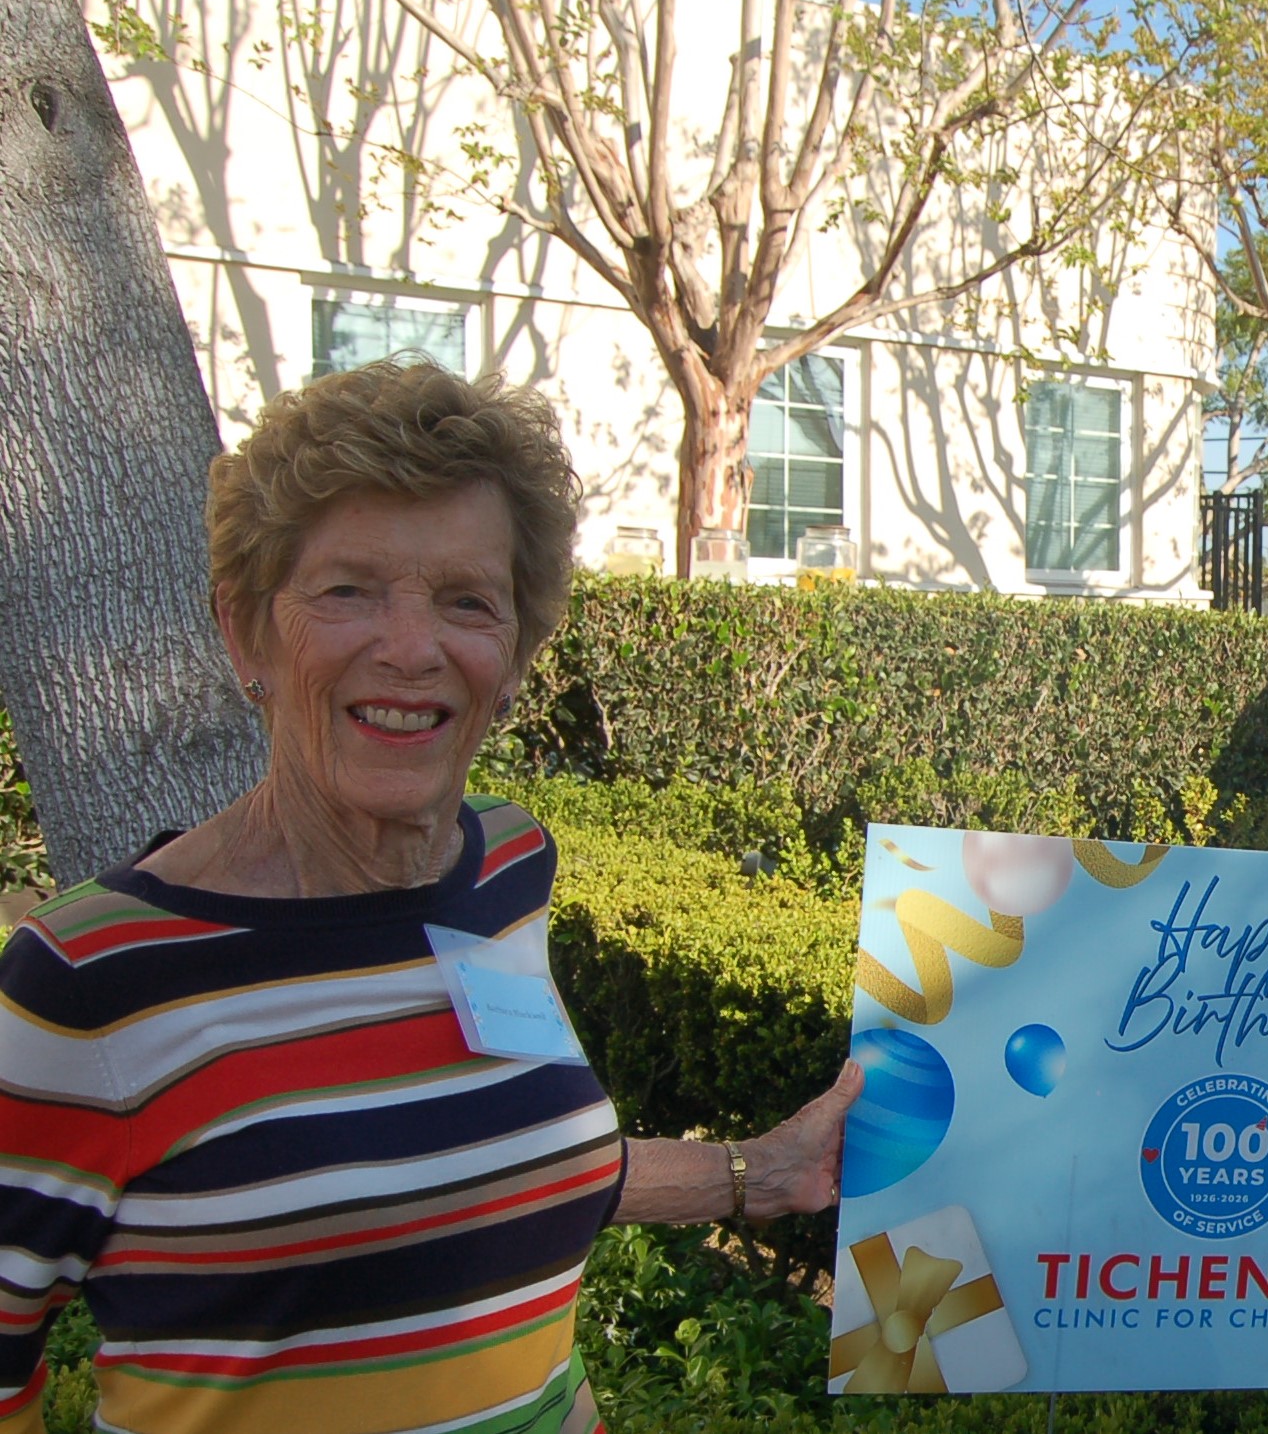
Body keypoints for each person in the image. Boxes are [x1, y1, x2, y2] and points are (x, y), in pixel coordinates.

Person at [0, 361, 863, 1433]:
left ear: (511, 657)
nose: (411, 649)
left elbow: (481, 1162)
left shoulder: (505, 866)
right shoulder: (90, 982)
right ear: (246, 633)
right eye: (348, 589)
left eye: (466, 601)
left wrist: (761, 1173)